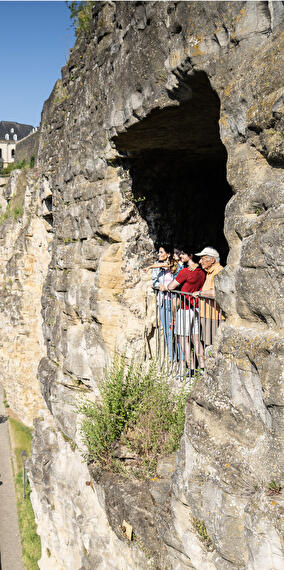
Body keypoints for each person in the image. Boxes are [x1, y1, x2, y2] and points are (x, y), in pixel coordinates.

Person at [166, 250, 205, 372]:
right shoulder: (201, 272)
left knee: (183, 339)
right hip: (197, 307)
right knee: (196, 339)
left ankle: (192, 368)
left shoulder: (185, 272)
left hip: (185, 308)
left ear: (191, 255)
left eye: (183, 254)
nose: (181, 256)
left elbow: (170, 287)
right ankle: (203, 366)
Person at [195, 247, 224, 346]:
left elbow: (217, 293)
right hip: (208, 315)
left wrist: (200, 293)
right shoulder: (210, 272)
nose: (200, 262)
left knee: (212, 345)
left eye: (203, 259)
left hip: (213, 316)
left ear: (212, 260)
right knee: (208, 344)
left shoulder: (219, 271)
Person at [152, 246, 174, 359]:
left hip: (175, 301)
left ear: (168, 254)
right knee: (166, 330)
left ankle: (180, 358)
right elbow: (154, 280)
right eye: (158, 252)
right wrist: (158, 285)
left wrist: (168, 288)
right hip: (163, 301)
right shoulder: (157, 266)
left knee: (175, 331)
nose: (159, 254)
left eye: (161, 252)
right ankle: (171, 357)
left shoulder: (174, 265)